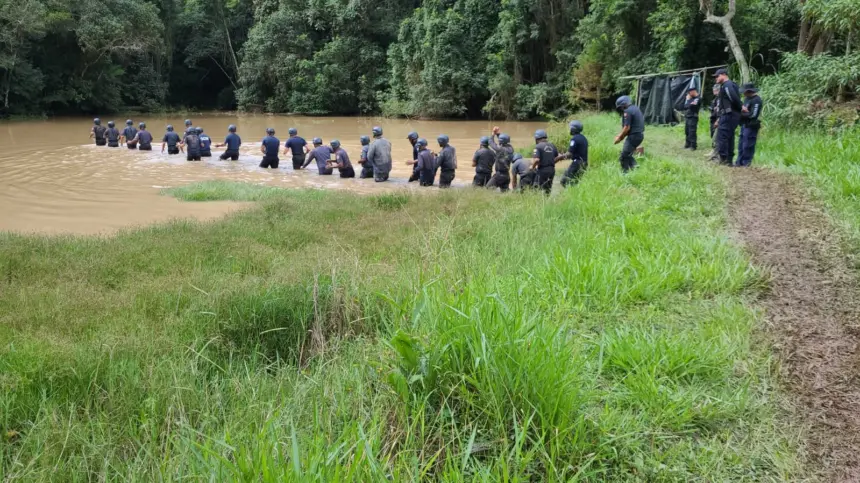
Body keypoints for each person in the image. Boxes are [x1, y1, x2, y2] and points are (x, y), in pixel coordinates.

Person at [713, 68, 742, 165]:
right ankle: (728, 159)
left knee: (723, 136)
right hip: (729, 115)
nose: (716, 78)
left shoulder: (727, 85)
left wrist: (741, 107)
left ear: (723, 74)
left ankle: (724, 158)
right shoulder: (727, 85)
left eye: (717, 76)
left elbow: (733, 97)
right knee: (729, 136)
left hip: (729, 115)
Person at [613, 95, 645, 172]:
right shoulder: (635, 108)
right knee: (628, 153)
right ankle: (635, 167)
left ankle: (625, 174)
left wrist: (619, 137)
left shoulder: (627, 111)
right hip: (639, 136)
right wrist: (621, 137)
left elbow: (627, 127)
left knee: (623, 156)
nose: (621, 109)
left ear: (624, 105)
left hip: (633, 136)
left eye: (620, 107)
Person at [736, 83, 763, 167]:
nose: (743, 94)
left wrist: (743, 113)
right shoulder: (747, 99)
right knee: (741, 144)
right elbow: (743, 110)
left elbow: (753, 115)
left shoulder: (757, 100)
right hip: (744, 124)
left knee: (748, 144)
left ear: (749, 91)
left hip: (751, 125)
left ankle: (746, 162)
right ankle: (739, 162)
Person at [557, 120, 588, 188]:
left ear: (573, 129)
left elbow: (569, 154)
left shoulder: (574, 139)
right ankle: (573, 193)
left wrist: (561, 156)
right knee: (575, 181)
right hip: (584, 163)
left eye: (570, 128)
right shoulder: (583, 138)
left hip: (577, 163)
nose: (569, 130)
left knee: (564, 181)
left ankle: (568, 195)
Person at [530, 129, 559, 194]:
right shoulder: (552, 145)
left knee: (536, 188)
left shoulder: (538, 146)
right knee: (548, 189)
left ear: (537, 138)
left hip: (542, 170)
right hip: (552, 170)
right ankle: (546, 201)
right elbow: (557, 157)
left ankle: (537, 201)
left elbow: (537, 160)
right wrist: (551, 162)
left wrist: (532, 167)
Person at [486, 127, 513, 192]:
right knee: (504, 192)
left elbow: (490, 142)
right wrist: (498, 134)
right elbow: (503, 141)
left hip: (499, 175)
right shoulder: (511, 148)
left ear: (500, 141)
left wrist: (493, 134)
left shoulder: (499, 149)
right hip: (507, 175)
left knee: (488, 188)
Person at [707, 84, 721, 160]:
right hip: (713, 118)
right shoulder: (716, 98)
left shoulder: (720, 98)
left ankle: (715, 153)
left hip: (717, 119)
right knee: (713, 135)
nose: (713, 91)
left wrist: (718, 120)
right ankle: (713, 151)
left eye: (714, 90)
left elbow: (719, 110)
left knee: (716, 137)